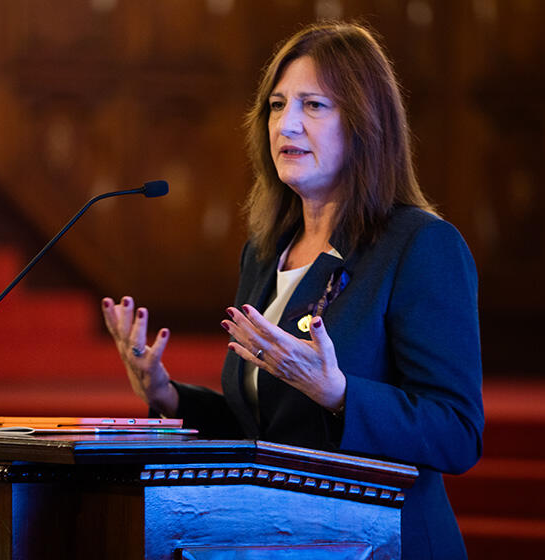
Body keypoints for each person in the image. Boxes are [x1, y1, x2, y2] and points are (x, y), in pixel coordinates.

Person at [100, 21, 482, 560]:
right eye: (277, 106)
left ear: (366, 123)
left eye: (314, 105)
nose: (288, 124)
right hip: (284, 538)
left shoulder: (421, 247)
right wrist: (166, 395)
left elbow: (457, 432)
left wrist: (341, 395)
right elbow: (265, 425)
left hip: (385, 542)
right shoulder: (265, 252)